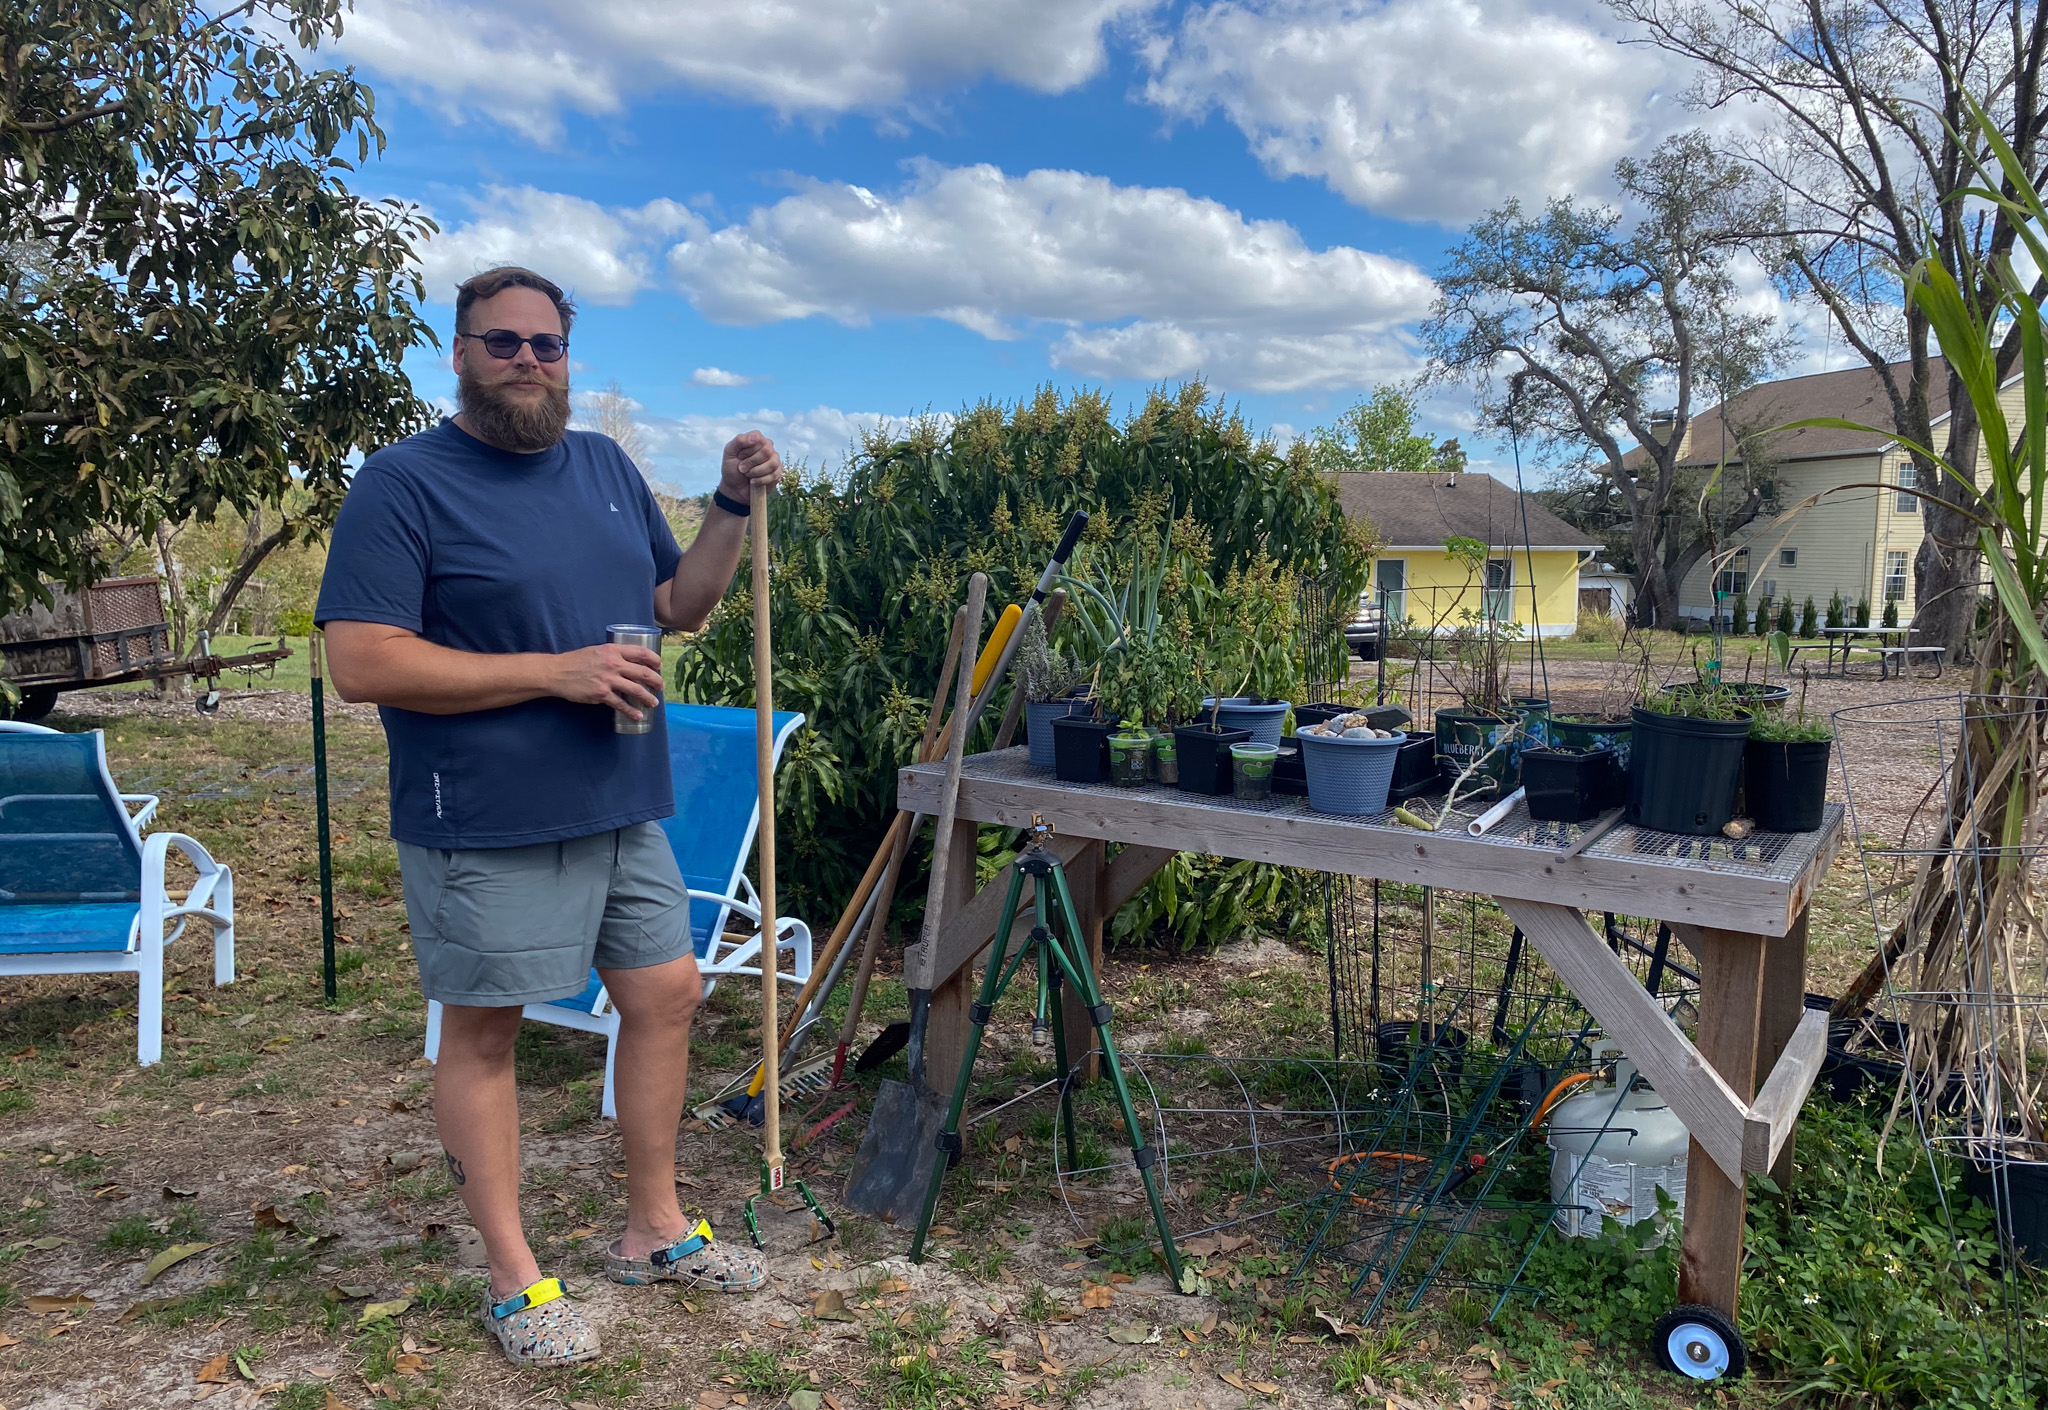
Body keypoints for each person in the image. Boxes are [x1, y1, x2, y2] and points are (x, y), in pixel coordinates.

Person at [316, 265, 782, 1368]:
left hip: (620, 793)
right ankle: (514, 1278)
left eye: (547, 345)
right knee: (487, 1030)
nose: (528, 360)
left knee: (666, 991)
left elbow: (680, 607)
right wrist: (553, 675)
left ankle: (654, 1228)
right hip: (481, 809)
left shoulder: (606, 468)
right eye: (502, 343)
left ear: (568, 358)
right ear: (461, 355)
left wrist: (726, 505)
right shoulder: (403, 483)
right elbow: (359, 661)